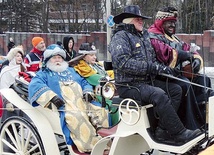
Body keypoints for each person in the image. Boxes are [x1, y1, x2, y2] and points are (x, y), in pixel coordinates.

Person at [108, 5, 201, 143]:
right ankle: (179, 133)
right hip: (129, 85)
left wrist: (165, 69)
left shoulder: (143, 36)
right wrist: (153, 68)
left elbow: (153, 59)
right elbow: (124, 63)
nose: (142, 22)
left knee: (176, 89)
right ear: (128, 20)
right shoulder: (120, 37)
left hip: (145, 82)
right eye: (138, 19)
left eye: (142, 19)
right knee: (158, 94)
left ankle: (162, 131)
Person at [28, 44, 109, 153]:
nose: (58, 60)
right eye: (54, 58)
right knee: (78, 117)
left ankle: (107, 143)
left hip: (83, 102)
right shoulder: (43, 74)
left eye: (59, 57)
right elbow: (35, 85)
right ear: (48, 59)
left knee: (101, 110)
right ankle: (91, 148)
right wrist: (51, 97)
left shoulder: (71, 71)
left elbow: (84, 81)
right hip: (65, 106)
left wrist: (88, 91)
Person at [148, 6, 214, 130]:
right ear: (160, 22)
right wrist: (184, 55)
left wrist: (196, 60)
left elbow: (188, 48)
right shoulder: (153, 36)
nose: (172, 25)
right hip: (162, 76)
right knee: (185, 84)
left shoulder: (173, 37)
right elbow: (166, 55)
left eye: (174, 22)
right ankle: (189, 125)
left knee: (203, 80)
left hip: (176, 74)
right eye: (169, 22)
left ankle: (204, 118)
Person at [70, 42, 118, 126]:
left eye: (94, 55)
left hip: (106, 91)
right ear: (84, 56)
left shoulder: (95, 65)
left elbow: (105, 74)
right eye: (92, 55)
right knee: (113, 105)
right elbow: (95, 79)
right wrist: (111, 80)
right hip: (95, 94)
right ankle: (113, 128)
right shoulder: (82, 67)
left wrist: (117, 75)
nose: (95, 57)